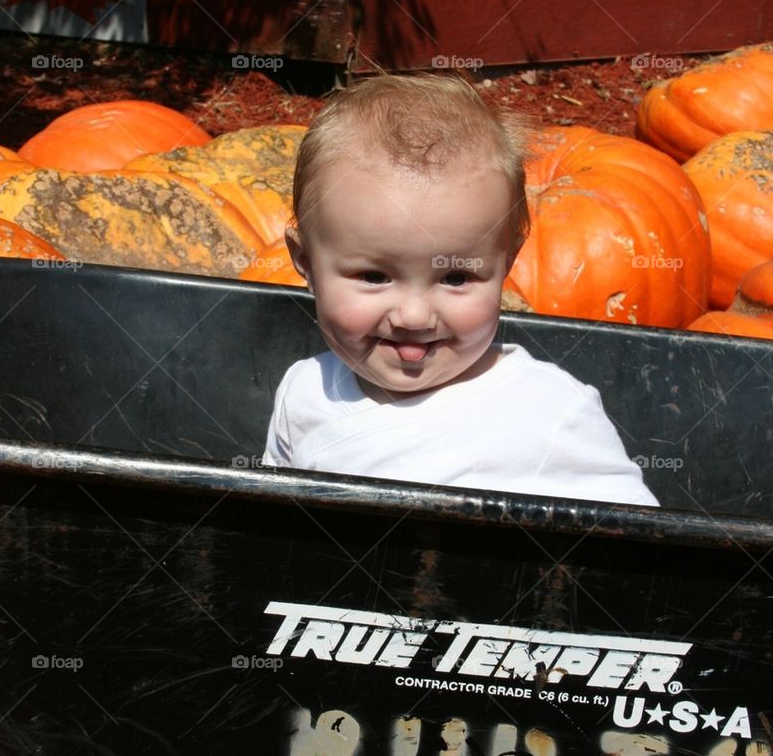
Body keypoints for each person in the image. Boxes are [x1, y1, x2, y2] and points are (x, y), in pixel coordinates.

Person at [261, 73, 658, 507]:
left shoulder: (549, 411)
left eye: (455, 278)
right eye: (374, 277)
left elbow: (630, 546)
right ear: (305, 262)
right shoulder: (304, 393)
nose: (413, 317)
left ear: (507, 262)